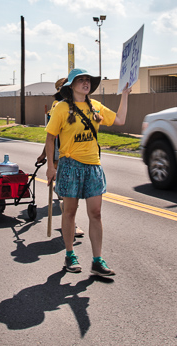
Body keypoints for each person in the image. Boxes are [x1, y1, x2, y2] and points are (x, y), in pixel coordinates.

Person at [45, 68, 130, 277]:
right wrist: (50, 166)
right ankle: (69, 254)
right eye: (81, 80)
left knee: (96, 213)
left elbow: (119, 120)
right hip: (70, 165)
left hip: (93, 166)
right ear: (71, 86)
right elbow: (50, 138)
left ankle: (97, 260)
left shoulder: (96, 106)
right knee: (70, 212)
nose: (86, 83)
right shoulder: (62, 108)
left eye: (88, 80)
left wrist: (125, 95)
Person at [37, 77, 84, 238]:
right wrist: (46, 156)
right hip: (61, 151)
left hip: (75, 152)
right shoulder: (58, 106)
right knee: (67, 191)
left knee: (68, 190)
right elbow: (51, 135)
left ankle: (69, 220)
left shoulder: (78, 103)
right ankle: (72, 224)